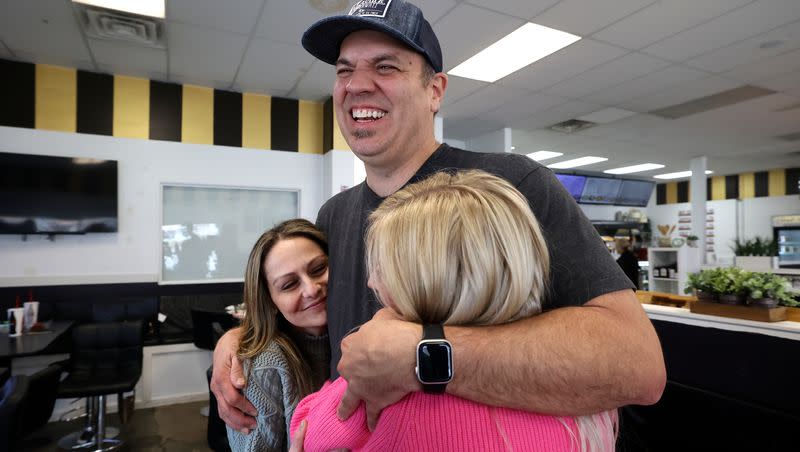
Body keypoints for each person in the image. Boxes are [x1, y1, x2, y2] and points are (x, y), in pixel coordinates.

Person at [212, 0, 665, 442]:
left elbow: (638, 365)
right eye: (344, 69)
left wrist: (423, 356)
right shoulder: (335, 213)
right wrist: (241, 342)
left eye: (386, 66)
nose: (357, 84)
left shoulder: (511, 186)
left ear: (435, 91)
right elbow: (310, 319)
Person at [290, 170, 618, 451]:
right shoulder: (584, 401)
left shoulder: (394, 396)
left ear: (429, 279)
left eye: (384, 268)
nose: (372, 283)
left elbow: (306, 428)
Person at [226, 219, 331, 451]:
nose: (312, 289)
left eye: (318, 269)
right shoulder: (265, 365)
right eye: (289, 284)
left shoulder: (356, 338)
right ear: (270, 301)